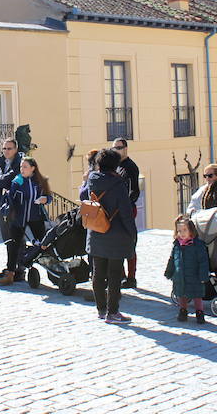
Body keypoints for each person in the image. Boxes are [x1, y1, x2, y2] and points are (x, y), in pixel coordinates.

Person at [86, 148, 137, 323]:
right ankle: (113, 312)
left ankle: (101, 309)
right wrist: (132, 234)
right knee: (114, 275)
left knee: (98, 273)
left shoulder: (92, 180)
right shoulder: (118, 185)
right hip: (116, 233)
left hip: (96, 230)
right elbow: (126, 212)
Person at [0, 156, 52, 286]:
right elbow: (11, 199)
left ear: (33, 168)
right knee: (13, 246)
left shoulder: (40, 181)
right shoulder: (17, 182)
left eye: (25, 167)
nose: (22, 169)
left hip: (36, 217)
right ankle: (10, 274)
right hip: (19, 218)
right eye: (21, 167)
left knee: (44, 243)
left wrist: (45, 199)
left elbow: (49, 197)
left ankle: (53, 269)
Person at [164, 216, 210, 324]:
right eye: (179, 231)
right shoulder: (177, 245)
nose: (182, 233)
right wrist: (169, 271)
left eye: (185, 230)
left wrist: (203, 275)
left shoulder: (198, 245)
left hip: (194, 276)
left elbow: (203, 261)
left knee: (197, 295)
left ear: (191, 230)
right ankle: (183, 310)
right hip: (179, 275)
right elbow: (172, 259)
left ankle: (199, 312)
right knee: (181, 294)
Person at [0, 139, 24, 279]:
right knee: (7, 238)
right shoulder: (3, 162)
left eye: (9, 148)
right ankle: (11, 267)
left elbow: (6, 180)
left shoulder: (20, 164)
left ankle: (20, 269)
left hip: (16, 206)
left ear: (15, 149)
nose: (6, 151)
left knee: (17, 238)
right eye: (4, 148)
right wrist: (0, 180)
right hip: (3, 205)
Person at [112, 138, 141, 289]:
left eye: (119, 148)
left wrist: (126, 207)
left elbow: (135, 190)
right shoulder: (115, 166)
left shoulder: (131, 167)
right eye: (114, 148)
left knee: (129, 243)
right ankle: (121, 275)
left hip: (127, 210)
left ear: (125, 148)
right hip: (116, 210)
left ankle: (131, 277)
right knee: (116, 243)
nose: (116, 150)